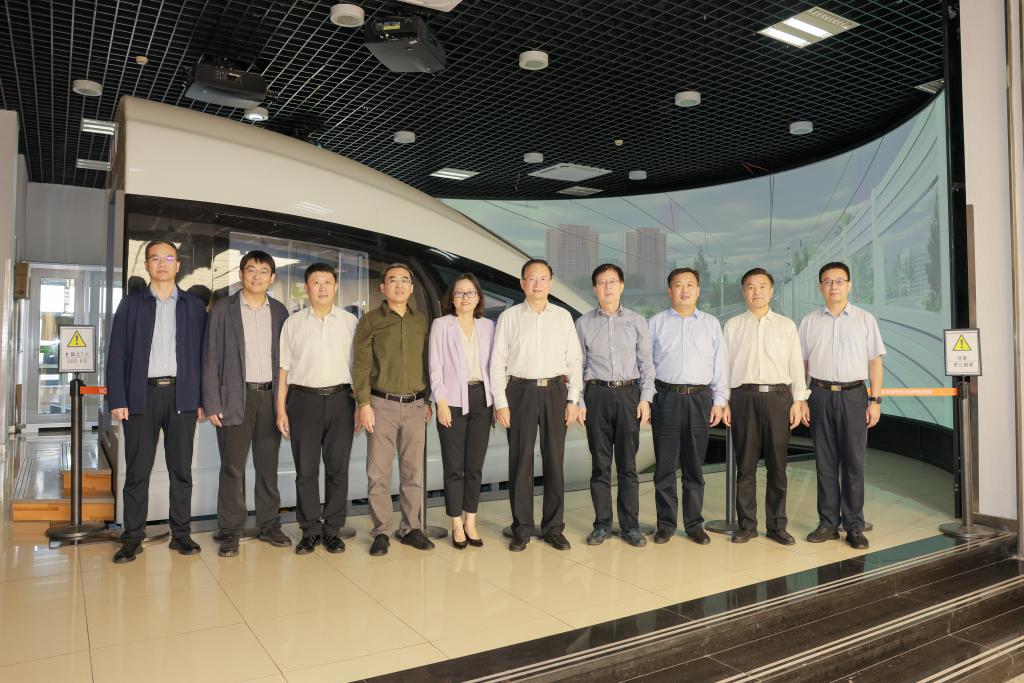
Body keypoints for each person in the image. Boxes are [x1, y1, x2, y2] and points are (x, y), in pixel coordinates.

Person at [107, 239, 207, 564]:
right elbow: (117, 353)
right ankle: (132, 537)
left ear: (178, 265)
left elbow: (203, 357)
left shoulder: (194, 306)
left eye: (168, 258)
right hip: (141, 396)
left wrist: (203, 398)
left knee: (182, 471)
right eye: (155, 258)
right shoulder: (131, 305)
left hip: (183, 396)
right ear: (146, 265)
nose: (162, 264)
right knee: (137, 471)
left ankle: (182, 534)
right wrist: (118, 397)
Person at [491, 259, 583, 552]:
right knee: (520, 462)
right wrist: (501, 402)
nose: (537, 283)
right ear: (522, 283)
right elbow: (497, 361)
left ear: (550, 283)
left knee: (554, 461)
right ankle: (522, 528)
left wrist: (573, 399)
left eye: (543, 278)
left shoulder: (563, 317)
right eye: (532, 278)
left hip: (556, 391)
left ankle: (554, 528)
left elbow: (575, 360)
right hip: (519, 391)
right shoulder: (509, 317)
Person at [203, 250, 290, 557]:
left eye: (263, 271)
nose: (256, 276)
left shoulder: (280, 311)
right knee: (232, 468)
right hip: (234, 398)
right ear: (241, 274)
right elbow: (210, 356)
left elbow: (287, 361)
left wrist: (284, 404)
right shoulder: (222, 309)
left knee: (268, 466)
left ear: (272, 278)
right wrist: (212, 402)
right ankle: (229, 530)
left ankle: (269, 525)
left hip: (270, 397)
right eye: (251, 270)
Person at [799, 262, 886, 550]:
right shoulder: (809, 321)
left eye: (839, 281)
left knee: (853, 464)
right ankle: (827, 524)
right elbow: (802, 363)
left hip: (854, 396)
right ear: (820, 287)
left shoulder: (865, 319)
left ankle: (854, 526)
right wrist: (802, 398)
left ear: (849, 285)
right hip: (819, 394)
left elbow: (875, 362)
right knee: (824, 462)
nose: (833, 286)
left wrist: (875, 400)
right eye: (828, 281)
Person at [276, 263, 359, 555]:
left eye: (327, 282)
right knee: (306, 471)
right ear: (306, 288)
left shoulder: (350, 322)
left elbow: (359, 369)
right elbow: (284, 370)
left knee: (338, 469)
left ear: (336, 287)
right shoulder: (293, 323)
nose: (322, 288)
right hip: (303, 402)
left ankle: (333, 529)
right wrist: (280, 409)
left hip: (342, 401)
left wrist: (361, 405)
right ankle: (310, 530)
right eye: (315, 282)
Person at [723, 268, 809, 545]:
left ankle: (777, 526)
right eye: (751, 287)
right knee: (745, 466)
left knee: (777, 466)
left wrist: (799, 400)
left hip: (778, 399)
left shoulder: (786, 326)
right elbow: (724, 367)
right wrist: (724, 401)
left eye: (762, 286)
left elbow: (796, 365)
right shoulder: (733, 326)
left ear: (771, 291)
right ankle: (747, 525)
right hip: (743, 398)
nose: (756, 291)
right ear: (743, 292)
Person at [354, 263, 434, 557]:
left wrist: (428, 400)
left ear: (411, 288)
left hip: (415, 406)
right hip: (381, 405)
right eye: (392, 280)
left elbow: (428, 362)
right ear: (382, 287)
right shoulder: (370, 321)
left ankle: (411, 528)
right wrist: (363, 403)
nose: (399, 285)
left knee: (413, 472)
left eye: (404, 281)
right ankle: (381, 532)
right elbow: (361, 364)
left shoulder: (420, 321)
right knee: (378, 473)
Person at [575, 264, 654, 548]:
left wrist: (645, 399)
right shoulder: (583, 323)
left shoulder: (637, 321)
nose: (607, 287)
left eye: (612, 281)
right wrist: (579, 401)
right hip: (596, 395)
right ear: (595, 288)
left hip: (628, 395)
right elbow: (577, 366)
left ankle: (630, 526)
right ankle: (602, 525)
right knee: (600, 466)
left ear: (621, 286)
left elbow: (647, 365)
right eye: (601, 282)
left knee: (628, 466)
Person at [648, 267, 728, 545]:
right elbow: (646, 366)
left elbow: (720, 366)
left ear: (698, 290)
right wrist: (647, 399)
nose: (684, 290)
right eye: (678, 285)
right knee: (665, 466)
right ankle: (665, 525)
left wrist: (719, 400)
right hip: (665, 398)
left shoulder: (711, 324)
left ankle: (694, 524)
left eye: (690, 285)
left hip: (699, 399)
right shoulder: (655, 323)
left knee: (694, 466)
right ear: (669, 291)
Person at [428, 274, 495, 548]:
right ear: (451, 298)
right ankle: (456, 523)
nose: (465, 298)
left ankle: (471, 521)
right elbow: (435, 366)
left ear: (478, 297)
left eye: (470, 293)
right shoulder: (441, 325)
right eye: (459, 293)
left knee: (475, 467)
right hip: (452, 401)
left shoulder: (488, 326)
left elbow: (495, 365)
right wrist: (440, 402)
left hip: (482, 399)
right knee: (454, 467)